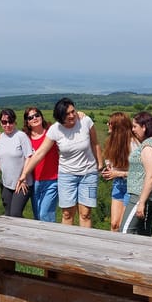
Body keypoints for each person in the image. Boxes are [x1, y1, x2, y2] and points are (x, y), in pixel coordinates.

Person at [18, 97, 102, 228]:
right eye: (67, 114)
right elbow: (39, 153)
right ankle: (66, 239)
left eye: (73, 111)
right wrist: (24, 174)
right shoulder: (55, 130)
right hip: (67, 176)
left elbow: (95, 143)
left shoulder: (85, 121)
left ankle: (84, 239)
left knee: (85, 214)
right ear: (60, 116)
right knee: (67, 214)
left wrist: (100, 164)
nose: (72, 115)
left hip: (89, 174)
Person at [121, 111, 152, 235]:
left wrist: (141, 202)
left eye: (135, 126)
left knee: (125, 231)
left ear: (144, 127)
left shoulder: (148, 146)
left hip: (140, 195)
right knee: (142, 233)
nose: (133, 130)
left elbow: (151, 176)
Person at [0, 108, 34, 217]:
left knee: (15, 213)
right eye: (4, 122)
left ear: (15, 122)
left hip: (22, 183)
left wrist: (23, 177)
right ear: (0, 122)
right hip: (6, 183)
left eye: (10, 121)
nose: (7, 125)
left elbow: (29, 157)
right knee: (8, 214)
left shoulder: (21, 136)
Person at [23, 107, 59, 222]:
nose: (34, 118)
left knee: (45, 214)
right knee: (37, 216)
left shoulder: (51, 133)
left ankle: (51, 233)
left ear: (41, 116)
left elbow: (65, 125)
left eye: (37, 115)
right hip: (35, 182)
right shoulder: (26, 139)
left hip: (52, 180)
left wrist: (80, 115)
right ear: (27, 122)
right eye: (30, 117)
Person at [101, 112, 134, 231]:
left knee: (122, 224)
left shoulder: (133, 145)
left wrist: (118, 173)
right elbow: (109, 162)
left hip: (131, 186)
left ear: (118, 126)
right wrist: (109, 170)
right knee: (114, 224)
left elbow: (140, 173)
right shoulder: (111, 142)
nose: (107, 124)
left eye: (110, 123)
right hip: (118, 184)